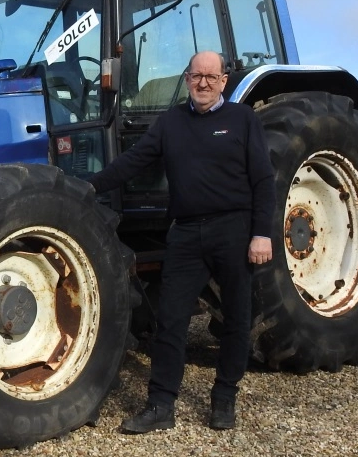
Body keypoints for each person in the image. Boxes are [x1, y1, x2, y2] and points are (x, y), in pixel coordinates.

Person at [86, 51, 276, 432]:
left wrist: (261, 233)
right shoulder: (171, 122)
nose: (203, 83)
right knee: (171, 320)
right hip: (186, 231)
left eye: (211, 76)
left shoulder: (242, 119)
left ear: (224, 80)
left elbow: (263, 180)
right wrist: (89, 185)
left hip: (233, 230)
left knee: (237, 318)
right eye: (195, 76)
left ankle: (224, 399)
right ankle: (160, 406)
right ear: (187, 79)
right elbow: (135, 161)